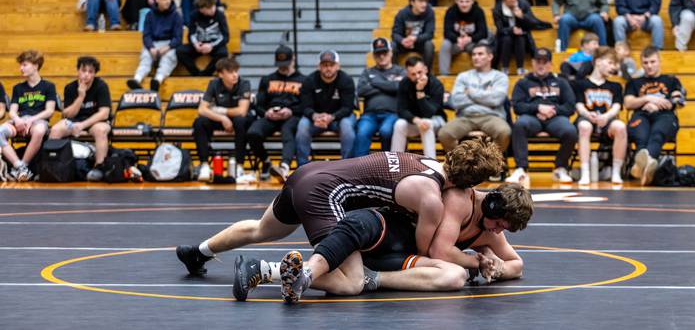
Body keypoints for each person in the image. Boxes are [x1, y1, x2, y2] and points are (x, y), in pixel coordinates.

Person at [175, 137, 503, 302]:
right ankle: (261, 270)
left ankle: (198, 252)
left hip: (308, 173)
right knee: (351, 282)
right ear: (471, 183)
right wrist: (470, 258)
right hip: (325, 194)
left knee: (261, 228)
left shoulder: (426, 161)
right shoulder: (430, 198)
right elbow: (424, 252)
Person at [243, 183, 531, 300]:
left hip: (402, 255)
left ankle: (264, 270)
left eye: (502, 229)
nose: (497, 232)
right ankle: (275, 271)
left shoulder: (490, 229)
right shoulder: (461, 200)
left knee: (455, 276)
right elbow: (439, 250)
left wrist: (496, 267)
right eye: (498, 224)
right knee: (358, 233)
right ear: (492, 205)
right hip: (388, 228)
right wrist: (477, 260)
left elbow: (516, 264)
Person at [508, 47, 577, 186]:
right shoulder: (523, 82)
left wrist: (553, 110)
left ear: (550, 64)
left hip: (555, 118)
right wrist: (537, 108)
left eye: (544, 62)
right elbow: (517, 106)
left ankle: (560, 167)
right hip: (532, 117)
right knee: (519, 125)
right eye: (538, 61)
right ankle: (521, 168)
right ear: (532, 63)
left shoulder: (561, 82)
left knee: (570, 131)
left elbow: (570, 106)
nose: (541, 65)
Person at [624, 46, 684, 186]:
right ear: (641, 63)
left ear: (659, 61)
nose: (649, 66)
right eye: (645, 63)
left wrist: (659, 105)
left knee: (657, 134)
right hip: (641, 115)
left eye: (652, 62)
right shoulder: (634, 82)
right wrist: (648, 99)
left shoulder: (671, 80)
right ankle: (648, 169)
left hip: (664, 116)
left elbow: (679, 101)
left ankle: (640, 166)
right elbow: (628, 103)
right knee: (641, 137)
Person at [438, 41, 511, 154]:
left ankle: (490, 161)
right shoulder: (463, 76)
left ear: (490, 56)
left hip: (491, 116)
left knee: (504, 132)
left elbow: (496, 100)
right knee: (444, 134)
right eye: (473, 54)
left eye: (480, 54)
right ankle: (460, 161)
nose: (476, 57)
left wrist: (470, 92)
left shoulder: (500, 77)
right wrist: (486, 95)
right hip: (466, 116)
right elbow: (456, 101)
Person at [48, 56, 111, 182]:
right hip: (74, 121)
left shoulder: (101, 86)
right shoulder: (70, 88)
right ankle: (51, 167)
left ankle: (99, 168)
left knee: (101, 130)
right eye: (84, 70)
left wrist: (82, 125)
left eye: (90, 72)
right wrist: (81, 97)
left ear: (94, 74)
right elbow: (67, 114)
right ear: (78, 71)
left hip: (94, 121)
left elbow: (104, 113)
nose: (86, 74)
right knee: (55, 130)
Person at [246, 46, 304, 183]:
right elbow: (258, 104)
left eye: (286, 64)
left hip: (292, 116)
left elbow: (307, 105)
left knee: (288, 131)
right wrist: (266, 112)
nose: (283, 67)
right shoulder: (267, 79)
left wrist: (291, 111)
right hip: (271, 116)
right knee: (253, 133)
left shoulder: (303, 80)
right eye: (280, 64)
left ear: (293, 59)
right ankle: (266, 162)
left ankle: (284, 167)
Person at [0, 50, 57, 182]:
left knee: (39, 130)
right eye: (21, 65)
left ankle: (23, 165)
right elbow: (12, 111)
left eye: (24, 65)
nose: (21, 68)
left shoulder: (48, 86)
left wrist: (32, 119)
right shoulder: (18, 88)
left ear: (36, 66)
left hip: (38, 121)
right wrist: (17, 120)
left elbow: (50, 111)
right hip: (20, 121)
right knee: (0, 131)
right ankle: (19, 166)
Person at [573, 47, 627, 185]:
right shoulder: (581, 84)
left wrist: (606, 116)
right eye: (610, 63)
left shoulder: (615, 86)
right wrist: (587, 113)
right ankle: (585, 173)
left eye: (615, 64)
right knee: (584, 126)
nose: (613, 67)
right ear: (598, 62)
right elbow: (579, 105)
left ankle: (616, 172)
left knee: (620, 127)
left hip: (607, 120)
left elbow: (617, 106)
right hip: (587, 118)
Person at [193, 58, 252, 182]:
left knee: (241, 121)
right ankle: (204, 165)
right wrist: (222, 118)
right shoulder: (213, 84)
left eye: (236, 71)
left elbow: (242, 111)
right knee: (199, 122)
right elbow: (202, 109)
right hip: (221, 120)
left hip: (238, 121)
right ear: (220, 74)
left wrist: (222, 111)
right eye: (230, 72)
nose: (235, 75)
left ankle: (239, 166)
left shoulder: (244, 84)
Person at [296, 50, 356, 161]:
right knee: (302, 126)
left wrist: (332, 117)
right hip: (316, 119)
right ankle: (302, 167)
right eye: (324, 65)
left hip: (339, 118)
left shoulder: (346, 80)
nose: (328, 68)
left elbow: (348, 108)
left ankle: (347, 166)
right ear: (319, 66)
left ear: (338, 66)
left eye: (331, 65)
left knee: (347, 127)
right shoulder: (309, 80)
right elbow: (305, 107)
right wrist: (314, 116)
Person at [354, 37, 404, 157]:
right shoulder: (367, 72)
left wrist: (374, 82)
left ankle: (387, 164)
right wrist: (388, 84)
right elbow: (361, 91)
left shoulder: (400, 71)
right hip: (369, 115)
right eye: (378, 54)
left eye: (384, 53)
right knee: (362, 132)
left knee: (386, 131)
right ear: (373, 55)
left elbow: (399, 87)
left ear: (391, 53)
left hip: (392, 114)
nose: (381, 56)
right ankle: (358, 166)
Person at [127, 0, 182, 92]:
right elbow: (146, 35)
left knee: (169, 57)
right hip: (153, 43)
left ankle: (157, 80)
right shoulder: (150, 15)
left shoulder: (176, 15)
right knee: (145, 56)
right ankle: (137, 79)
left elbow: (178, 38)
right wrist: (151, 47)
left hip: (169, 44)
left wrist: (167, 47)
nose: (168, 1)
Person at [391, 56, 446, 158]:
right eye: (413, 74)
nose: (417, 76)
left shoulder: (436, 84)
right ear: (408, 74)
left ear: (426, 69)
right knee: (399, 124)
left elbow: (429, 113)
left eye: (419, 72)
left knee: (426, 123)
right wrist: (416, 120)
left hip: (436, 120)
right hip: (416, 122)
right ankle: (395, 161)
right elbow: (401, 110)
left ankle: (430, 163)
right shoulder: (404, 83)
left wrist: (420, 91)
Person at [492, 0, 545, 75]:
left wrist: (522, 16)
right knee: (507, 38)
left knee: (520, 37)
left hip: (522, 37)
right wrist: (511, 30)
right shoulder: (498, 8)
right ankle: (505, 68)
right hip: (504, 39)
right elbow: (500, 29)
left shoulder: (523, 4)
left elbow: (533, 23)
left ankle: (520, 68)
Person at [176, 0, 229, 76]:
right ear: (201, 9)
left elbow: (225, 36)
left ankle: (206, 74)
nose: (213, 10)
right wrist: (196, 44)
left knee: (223, 53)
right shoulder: (194, 15)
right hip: (199, 45)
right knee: (180, 51)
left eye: (213, 6)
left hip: (214, 45)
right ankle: (196, 73)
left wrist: (211, 46)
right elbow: (191, 34)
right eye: (209, 8)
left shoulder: (220, 15)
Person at [439, 0, 489, 75]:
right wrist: (457, 39)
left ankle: (483, 73)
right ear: (456, 1)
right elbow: (447, 32)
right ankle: (444, 75)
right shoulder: (451, 11)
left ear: (472, 1)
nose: (464, 4)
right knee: (445, 44)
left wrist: (470, 39)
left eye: (467, 1)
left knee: (484, 43)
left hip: (472, 44)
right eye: (461, 1)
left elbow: (483, 32)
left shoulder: (478, 11)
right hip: (456, 44)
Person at [391, 0, 435, 69]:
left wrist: (415, 38)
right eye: (420, 1)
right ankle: (395, 71)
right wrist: (402, 40)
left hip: (420, 42)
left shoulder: (429, 12)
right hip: (404, 43)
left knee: (429, 45)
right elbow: (395, 34)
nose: (424, 4)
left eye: (425, 1)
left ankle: (426, 72)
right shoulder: (402, 14)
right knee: (392, 45)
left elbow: (429, 34)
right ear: (412, 2)